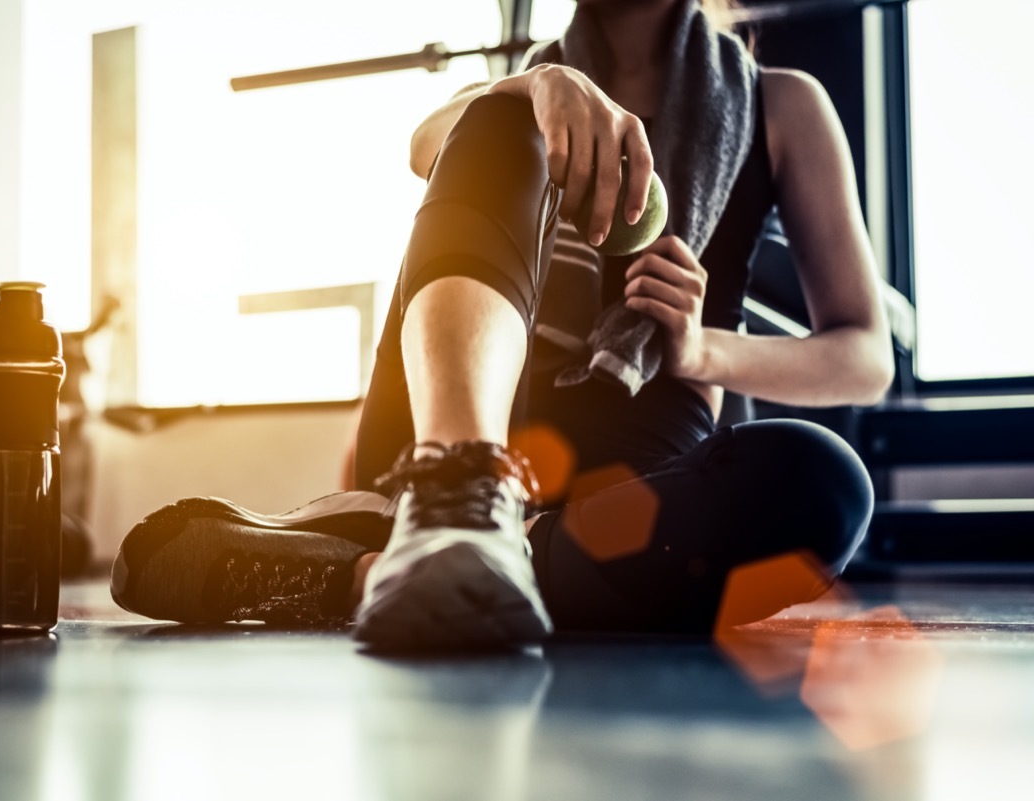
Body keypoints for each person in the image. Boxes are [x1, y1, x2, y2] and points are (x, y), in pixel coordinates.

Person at [109, 0, 893, 649]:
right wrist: (538, 84)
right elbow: (423, 143)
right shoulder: (519, 95)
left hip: (633, 481)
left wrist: (700, 347)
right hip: (449, 432)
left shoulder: (782, 103)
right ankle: (459, 501)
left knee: (822, 486)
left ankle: (372, 572)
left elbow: (863, 354)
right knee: (495, 116)